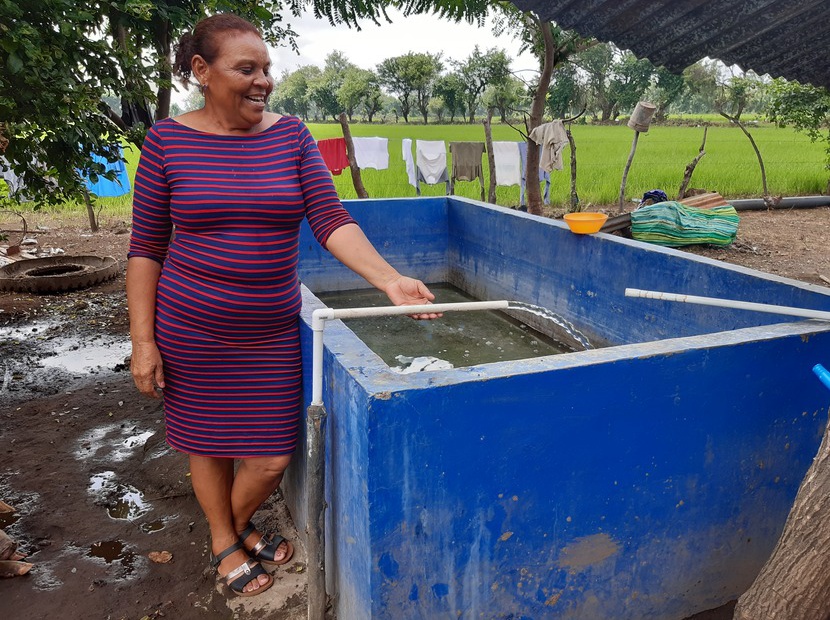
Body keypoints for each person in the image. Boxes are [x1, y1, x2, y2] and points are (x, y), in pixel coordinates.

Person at [126, 13, 438, 598]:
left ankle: (237, 522)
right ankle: (224, 539)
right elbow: (145, 248)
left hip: (269, 329)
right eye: (246, 69)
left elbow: (330, 219)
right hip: (190, 327)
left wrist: (390, 281)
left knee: (270, 456)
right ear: (202, 71)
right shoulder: (168, 141)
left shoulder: (290, 136)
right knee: (207, 441)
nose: (263, 80)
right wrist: (143, 341)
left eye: (266, 69)